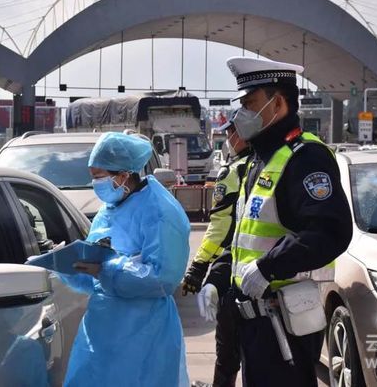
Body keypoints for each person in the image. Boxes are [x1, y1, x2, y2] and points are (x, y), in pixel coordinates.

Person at [225, 57, 353, 387]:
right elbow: (247, 235)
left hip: (282, 321)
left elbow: (329, 231)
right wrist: (220, 280)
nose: (240, 115)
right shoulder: (260, 158)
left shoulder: (304, 157)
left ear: (278, 103)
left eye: (249, 104)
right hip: (254, 320)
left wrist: (269, 267)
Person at [57, 132, 191, 387]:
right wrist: (69, 266)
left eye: (99, 176)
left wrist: (105, 270)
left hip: (144, 331)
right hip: (102, 327)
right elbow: (95, 271)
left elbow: (163, 278)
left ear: (123, 175)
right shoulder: (110, 209)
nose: (95, 184)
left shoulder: (160, 212)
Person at [182, 111, 249, 387]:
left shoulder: (233, 172)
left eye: (231, 132)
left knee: (228, 351)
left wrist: (198, 267)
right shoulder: (273, 163)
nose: (229, 138)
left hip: (233, 272)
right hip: (276, 272)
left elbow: (219, 226)